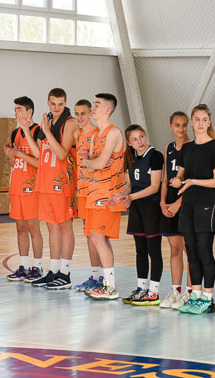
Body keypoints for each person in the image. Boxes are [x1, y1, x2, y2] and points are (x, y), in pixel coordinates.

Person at [171, 104, 215, 315]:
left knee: (204, 251)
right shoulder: (187, 148)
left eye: (204, 119)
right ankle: (195, 296)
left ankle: (208, 299)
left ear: (209, 122)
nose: (200, 123)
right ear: (191, 122)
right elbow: (181, 175)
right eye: (197, 119)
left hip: (206, 205)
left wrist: (193, 181)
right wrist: (177, 181)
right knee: (191, 252)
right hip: (188, 205)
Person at [24, 88, 77, 290]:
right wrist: (27, 130)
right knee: (51, 227)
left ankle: (66, 272)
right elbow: (39, 154)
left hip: (62, 182)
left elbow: (62, 154)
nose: (56, 108)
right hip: (46, 181)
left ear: (65, 103)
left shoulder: (69, 123)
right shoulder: (48, 121)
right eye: (53, 104)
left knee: (64, 226)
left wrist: (46, 131)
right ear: (48, 102)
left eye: (60, 104)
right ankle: (54, 270)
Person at [81, 93, 125, 300]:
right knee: (96, 237)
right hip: (93, 191)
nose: (93, 107)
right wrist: (94, 163)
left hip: (108, 194)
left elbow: (95, 164)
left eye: (97, 104)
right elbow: (86, 165)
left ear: (107, 109)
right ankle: (107, 284)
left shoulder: (113, 132)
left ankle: (110, 286)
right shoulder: (96, 134)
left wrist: (95, 163)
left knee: (98, 237)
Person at [117, 125, 164, 306]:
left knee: (154, 250)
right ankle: (141, 289)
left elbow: (154, 187)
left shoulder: (155, 156)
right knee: (140, 250)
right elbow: (129, 183)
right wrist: (122, 195)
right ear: (129, 143)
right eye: (135, 139)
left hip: (151, 207)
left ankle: (154, 292)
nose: (140, 141)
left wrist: (131, 196)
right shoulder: (130, 158)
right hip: (137, 207)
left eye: (142, 136)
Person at [4, 96, 43, 282]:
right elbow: (13, 163)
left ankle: (38, 267)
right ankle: (23, 266)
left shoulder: (38, 131)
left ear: (29, 112)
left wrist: (18, 153)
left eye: (20, 109)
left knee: (33, 228)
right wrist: (11, 154)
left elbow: (40, 162)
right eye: (15, 109)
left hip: (32, 187)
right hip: (17, 186)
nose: (16, 112)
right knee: (20, 228)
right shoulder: (15, 133)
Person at [159, 111, 192, 309]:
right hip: (169, 199)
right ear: (170, 126)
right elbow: (165, 178)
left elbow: (193, 181)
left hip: (186, 199)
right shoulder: (168, 148)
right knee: (175, 248)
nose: (181, 129)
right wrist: (163, 202)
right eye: (177, 125)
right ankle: (175, 291)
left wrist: (178, 203)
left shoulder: (193, 147)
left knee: (189, 249)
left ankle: (190, 291)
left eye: (184, 125)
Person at [72, 100, 104, 293]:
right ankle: (94, 276)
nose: (80, 117)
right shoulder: (77, 134)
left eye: (83, 113)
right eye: (77, 114)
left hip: (95, 190)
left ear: (90, 113)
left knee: (97, 236)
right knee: (88, 235)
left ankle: (102, 277)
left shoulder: (98, 134)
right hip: (81, 190)